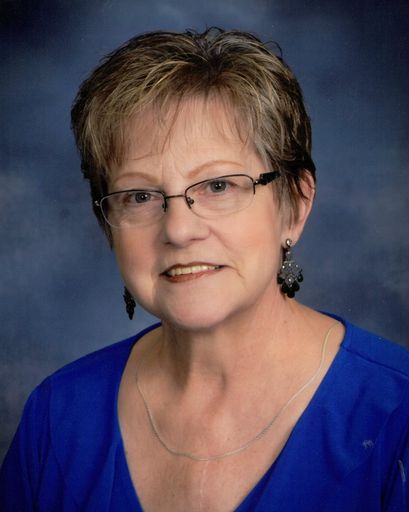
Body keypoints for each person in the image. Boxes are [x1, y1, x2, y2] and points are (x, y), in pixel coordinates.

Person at [1, 28, 408, 512]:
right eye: (140, 195)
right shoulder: (57, 418)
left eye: (218, 186)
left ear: (295, 205)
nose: (178, 229)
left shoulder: (396, 415)